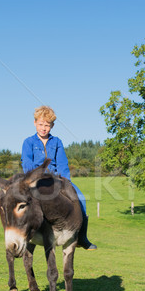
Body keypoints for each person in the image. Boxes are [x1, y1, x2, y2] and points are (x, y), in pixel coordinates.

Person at [21, 105, 97, 250]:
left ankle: (82, 237)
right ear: (35, 123)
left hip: (56, 179)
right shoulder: (28, 142)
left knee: (80, 197)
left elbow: (62, 163)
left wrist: (66, 181)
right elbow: (27, 163)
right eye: (41, 124)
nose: (44, 128)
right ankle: (22, 234)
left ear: (52, 126)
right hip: (34, 179)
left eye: (47, 125)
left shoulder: (57, 142)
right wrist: (37, 176)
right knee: (19, 200)